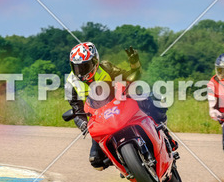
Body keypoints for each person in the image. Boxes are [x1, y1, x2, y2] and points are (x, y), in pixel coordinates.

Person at [65, 42, 174, 170]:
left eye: (85, 66)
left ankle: (164, 132)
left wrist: (134, 64)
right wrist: (83, 124)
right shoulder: (70, 84)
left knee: (155, 101)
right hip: (99, 120)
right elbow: (77, 111)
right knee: (96, 162)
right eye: (76, 67)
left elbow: (130, 77)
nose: (80, 72)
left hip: (120, 106)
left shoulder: (105, 67)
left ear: (95, 61)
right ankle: (125, 163)